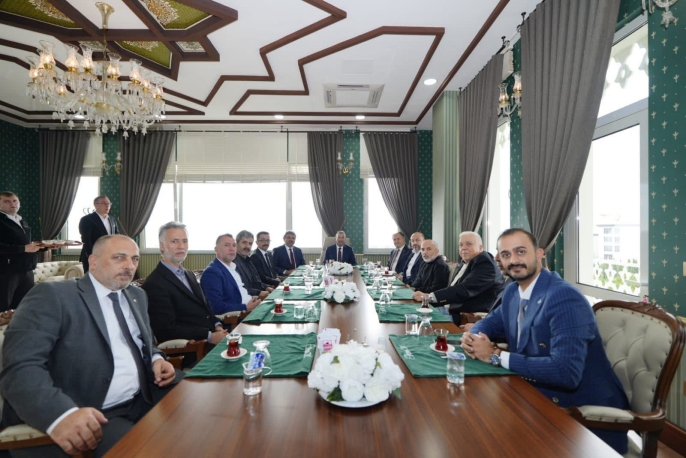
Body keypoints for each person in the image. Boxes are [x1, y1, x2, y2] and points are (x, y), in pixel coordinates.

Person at [0, 235, 179, 457]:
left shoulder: (137, 295)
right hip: (90, 409)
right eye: (119, 257)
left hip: (143, 395)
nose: (129, 266)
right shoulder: (54, 296)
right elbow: (20, 368)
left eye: (134, 259)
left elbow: (147, 342)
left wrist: (156, 358)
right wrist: (62, 415)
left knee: (204, 407)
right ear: (93, 262)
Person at [461, 228, 630, 454]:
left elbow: (566, 373)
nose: (514, 260)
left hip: (579, 415)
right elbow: (490, 322)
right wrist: (474, 337)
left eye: (521, 252)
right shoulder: (513, 292)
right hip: (531, 393)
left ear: (539, 253)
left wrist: (495, 355)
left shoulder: (564, 297)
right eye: (506, 254)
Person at [141, 222, 227, 360]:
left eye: (185, 241)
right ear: (162, 246)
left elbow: (205, 307)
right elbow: (167, 329)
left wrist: (217, 325)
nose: (181, 246)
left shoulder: (189, 274)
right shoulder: (154, 283)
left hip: (213, 340)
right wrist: (209, 336)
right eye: (175, 241)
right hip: (193, 350)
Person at [417, 231, 503, 324]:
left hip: (465, 317)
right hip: (448, 308)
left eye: (469, 244)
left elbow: (464, 289)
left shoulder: (485, 262)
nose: (463, 247)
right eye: (461, 245)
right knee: (413, 314)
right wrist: (427, 298)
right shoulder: (466, 262)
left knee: (419, 322)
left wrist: (429, 297)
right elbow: (453, 288)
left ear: (481, 248)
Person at [0, 191, 41, 312]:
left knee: (24, 306)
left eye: (15, 201)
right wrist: (24, 248)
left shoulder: (22, 221)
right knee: (3, 307)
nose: (12, 204)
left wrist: (42, 247)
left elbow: (25, 244)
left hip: (27, 269)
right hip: (7, 271)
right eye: (6, 201)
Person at [201, 234, 262, 315]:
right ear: (216, 249)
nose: (232, 249)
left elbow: (239, 290)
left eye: (234, 245)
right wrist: (245, 307)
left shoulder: (233, 267)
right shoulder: (212, 272)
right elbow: (216, 307)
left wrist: (251, 298)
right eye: (227, 245)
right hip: (240, 316)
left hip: (251, 307)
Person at [460, 252, 513, 332]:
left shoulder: (486, 265)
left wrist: (477, 329)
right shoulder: (512, 284)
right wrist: (476, 328)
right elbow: (495, 318)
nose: (496, 258)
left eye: (506, 254)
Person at [79, 196, 119, 272]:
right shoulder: (87, 219)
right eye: (104, 203)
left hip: (110, 256)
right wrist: (94, 256)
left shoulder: (112, 219)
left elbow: (116, 236)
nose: (107, 205)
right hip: (94, 257)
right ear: (96, 205)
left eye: (109, 203)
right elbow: (86, 240)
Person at [234, 230, 271, 299]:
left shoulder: (248, 260)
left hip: (255, 296)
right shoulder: (233, 262)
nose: (247, 246)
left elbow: (255, 280)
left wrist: (267, 287)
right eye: (244, 242)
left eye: (250, 243)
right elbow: (238, 288)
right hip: (244, 299)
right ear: (236, 244)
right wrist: (258, 292)